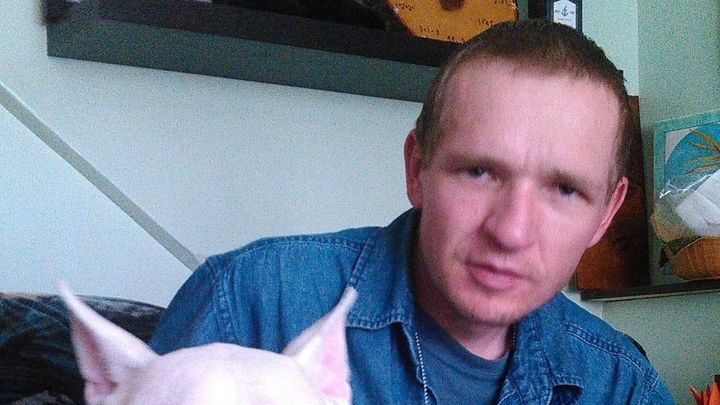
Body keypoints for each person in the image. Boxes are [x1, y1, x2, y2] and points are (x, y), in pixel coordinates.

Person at [150, 20, 674, 404]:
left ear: (606, 215)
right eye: (478, 172)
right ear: (417, 168)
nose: (511, 232)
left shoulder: (622, 386)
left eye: (564, 190)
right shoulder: (250, 303)